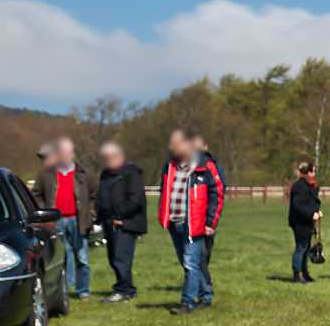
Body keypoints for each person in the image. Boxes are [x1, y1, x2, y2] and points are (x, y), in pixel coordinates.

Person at [158, 128, 223, 315]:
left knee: (190, 263)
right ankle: (206, 295)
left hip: (195, 223)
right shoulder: (169, 167)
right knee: (189, 261)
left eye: (175, 143)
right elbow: (165, 191)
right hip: (174, 222)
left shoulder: (205, 165)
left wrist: (210, 222)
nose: (171, 147)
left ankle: (187, 302)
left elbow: (217, 193)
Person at [33, 138, 96, 299]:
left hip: (79, 221)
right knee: (63, 257)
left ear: (73, 154)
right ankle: (65, 290)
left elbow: (94, 196)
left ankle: (83, 291)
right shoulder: (46, 174)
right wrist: (45, 213)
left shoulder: (85, 174)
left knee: (82, 258)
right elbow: (36, 194)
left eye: (68, 152)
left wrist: (91, 214)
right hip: (56, 221)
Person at [93, 141, 146, 302]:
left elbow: (136, 200)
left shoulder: (130, 174)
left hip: (124, 223)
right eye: (105, 159)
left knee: (121, 257)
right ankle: (126, 288)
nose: (107, 162)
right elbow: (102, 196)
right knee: (113, 257)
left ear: (119, 157)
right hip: (108, 222)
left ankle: (123, 290)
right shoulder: (105, 175)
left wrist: (119, 216)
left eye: (110, 158)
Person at [288, 161, 322, 283]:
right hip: (299, 222)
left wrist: (318, 211)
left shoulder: (312, 185)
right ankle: (297, 274)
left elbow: (314, 202)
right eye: (312, 171)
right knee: (301, 247)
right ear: (307, 172)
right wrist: (311, 214)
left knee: (307, 248)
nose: (314, 174)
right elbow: (298, 205)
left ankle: (305, 272)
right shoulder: (299, 186)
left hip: (309, 222)